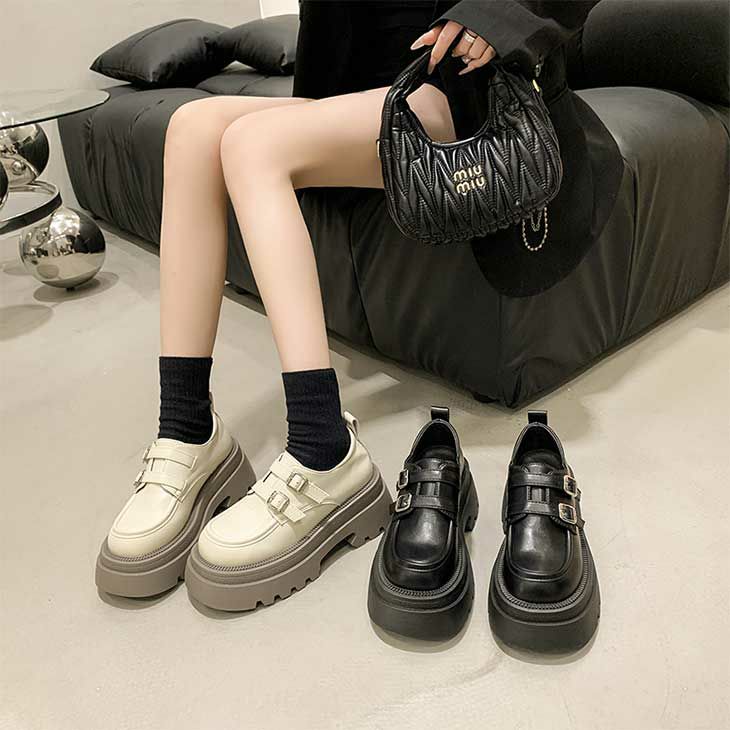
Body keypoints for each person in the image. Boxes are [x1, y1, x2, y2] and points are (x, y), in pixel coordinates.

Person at [96, 1, 619, 610]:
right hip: (357, 87)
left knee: (251, 145)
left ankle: (324, 450)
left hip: (458, 85)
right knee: (190, 128)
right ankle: (187, 429)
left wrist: (495, 15)